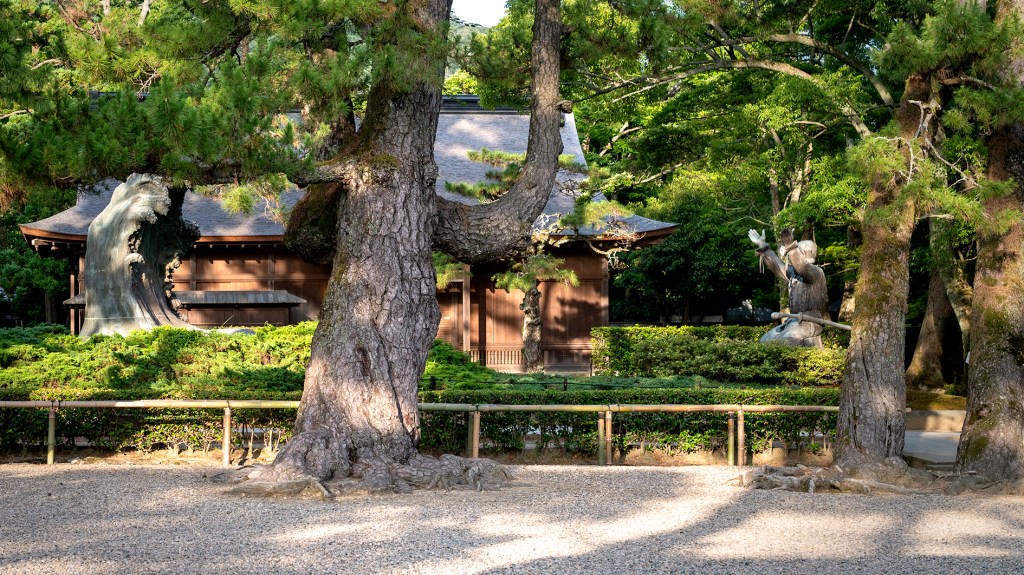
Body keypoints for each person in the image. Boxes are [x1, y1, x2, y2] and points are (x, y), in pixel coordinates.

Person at [748, 228, 829, 347]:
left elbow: (803, 267)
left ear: (805, 252)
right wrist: (762, 245)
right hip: (793, 321)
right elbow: (777, 266)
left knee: (786, 340)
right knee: (765, 340)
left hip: (810, 322)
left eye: (797, 250)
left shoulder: (816, 272)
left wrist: (789, 246)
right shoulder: (794, 274)